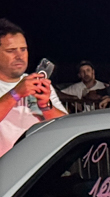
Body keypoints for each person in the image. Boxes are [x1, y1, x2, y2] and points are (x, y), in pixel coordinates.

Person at [0, 18, 65, 158]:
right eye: (11, 50)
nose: (19, 56)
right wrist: (15, 94)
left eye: (23, 49)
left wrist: (46, 106)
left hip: (39, 166)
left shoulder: (38, 82)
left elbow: (65, 126)